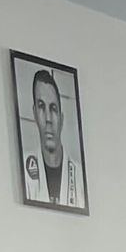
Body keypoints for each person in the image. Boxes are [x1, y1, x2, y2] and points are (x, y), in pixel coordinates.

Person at [26, 66, 81, 209]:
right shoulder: (25, 171)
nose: (48, 119)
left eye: (53, 109)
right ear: (35, 114)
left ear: (61, 119)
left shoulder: (79, 176)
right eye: (41, 107)